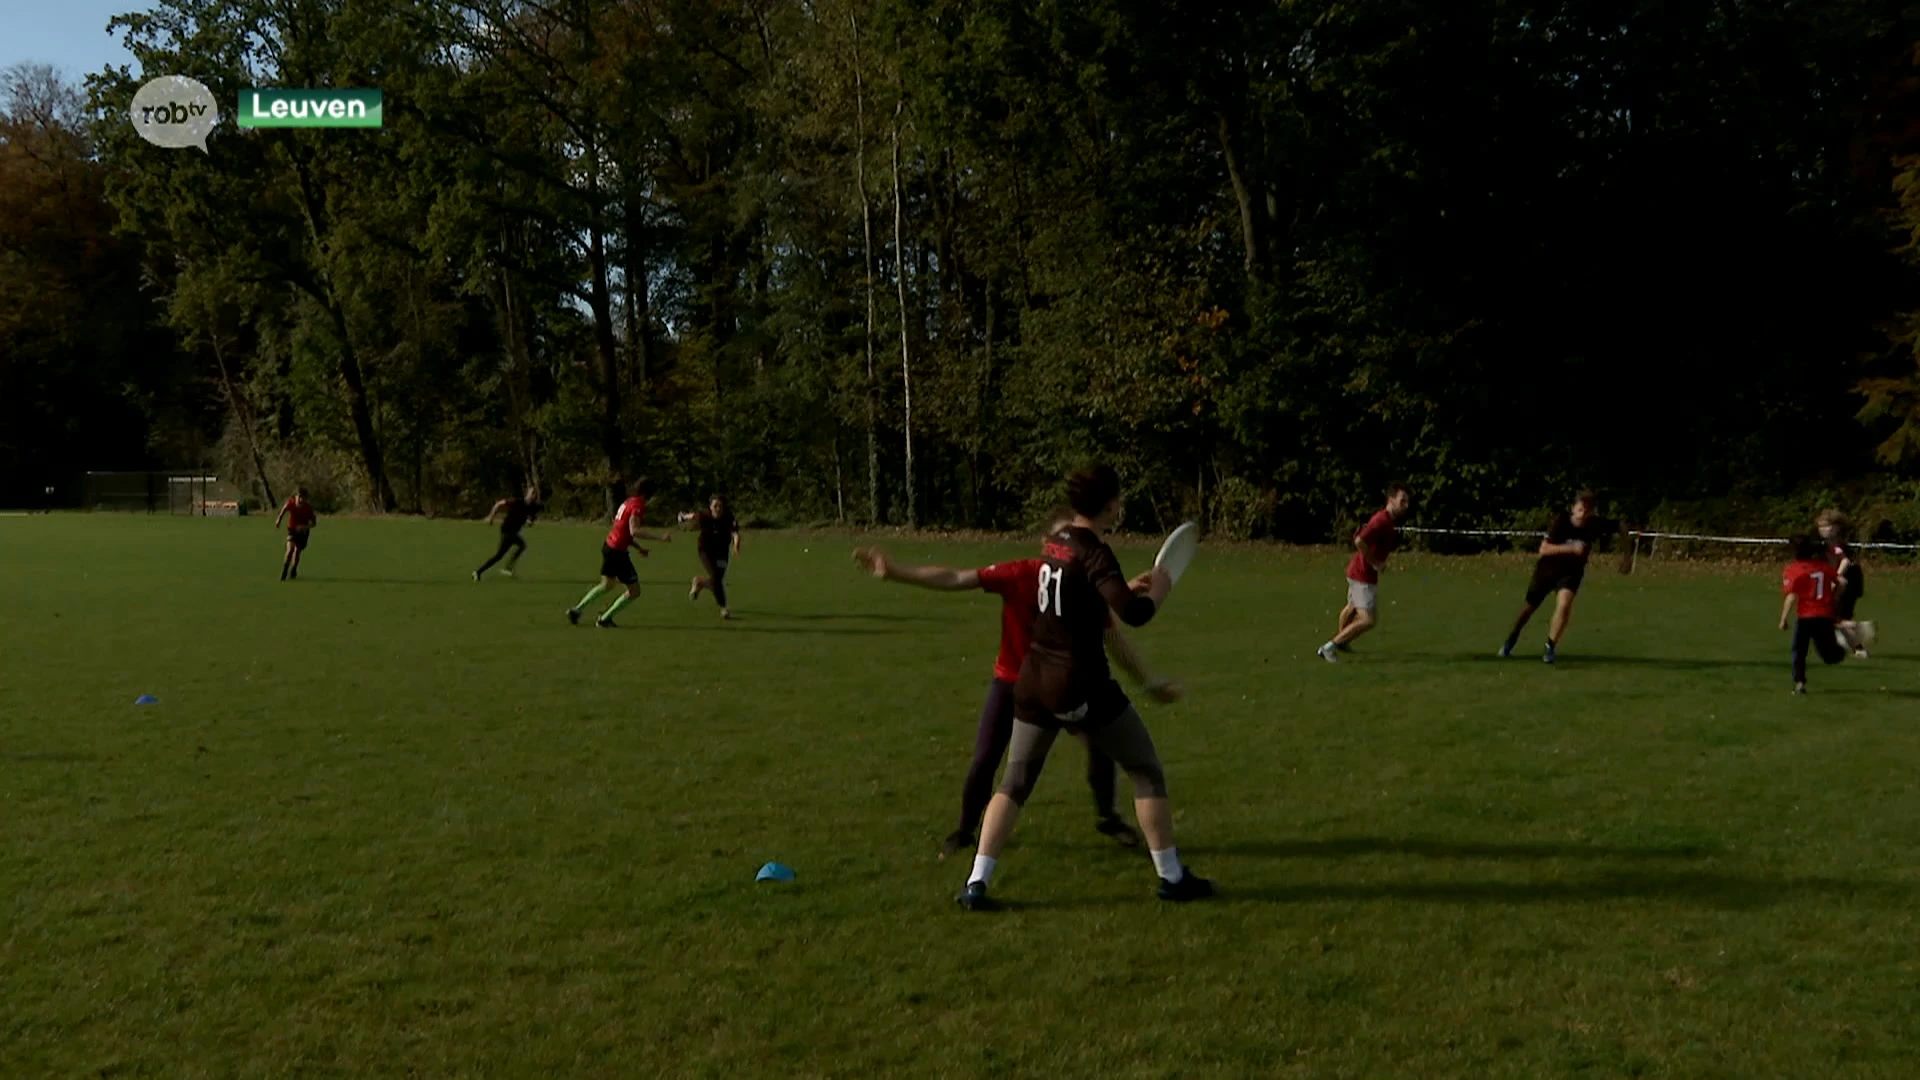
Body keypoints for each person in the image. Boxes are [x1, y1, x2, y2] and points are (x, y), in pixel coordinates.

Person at [957, 464, 1212, 910]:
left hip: (1031, 680)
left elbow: (1080, 594)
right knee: (1146, 769)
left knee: (1014, 781)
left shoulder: (1055, 543)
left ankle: (976, 883)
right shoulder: (1095, 550)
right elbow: (1133, 615)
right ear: (1111, 505)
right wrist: (1161, 590)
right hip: (1077, 685)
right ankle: (1172, 877)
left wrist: (1124, 589)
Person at [852, 518, 1183, 859]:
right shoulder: (1021, 573)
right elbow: (956, 577)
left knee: (1102, 750)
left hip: (1065, 686)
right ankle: (965, 830)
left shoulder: (1083, 585)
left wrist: (1125, 600)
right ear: (1045, 542)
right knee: (987, 759)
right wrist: (895, 571)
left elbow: (1110, 635)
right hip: (1014, 685)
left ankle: (1108, 818)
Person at [1500, 491, 1608, 664]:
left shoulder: (1594, 524)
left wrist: (1626, 557)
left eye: (1587, 511)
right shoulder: (1561, 521)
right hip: (1547, 570)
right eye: (1580, 509)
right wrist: (1571, 548)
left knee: (1564, 604)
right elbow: (1543, 549)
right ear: (1573, 509)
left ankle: (1550, 647)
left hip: (1570, 573)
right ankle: (1511, 638)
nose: (1583, 514)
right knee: (1528, 609)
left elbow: (1622, 526)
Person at [1318, 484, 1413, 662]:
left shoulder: (1387, 520)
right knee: (1368, 619)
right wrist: (1375, 562)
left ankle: (1342, 641)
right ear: (1391, 499)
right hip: (1363, 574)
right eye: (1402, 501)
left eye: (1407, 501)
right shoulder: (1381, 520)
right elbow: (1359, 540)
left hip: (1357, 570)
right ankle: (1329, 647)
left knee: (1351, 608)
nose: (1406, 505)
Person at [567, 479, 671, 628]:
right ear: (650, 494)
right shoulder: (637, 506)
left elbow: (623, 531)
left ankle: (577, 610)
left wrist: (638, 547)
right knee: (634, 591)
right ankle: (604, 619)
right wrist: (660, 538)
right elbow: (633, 530)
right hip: (617, 552)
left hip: (609, 546)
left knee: (607, 585)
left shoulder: (628, 502)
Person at [1781, 534, 1848, 694]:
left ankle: (1799, 683)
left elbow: (1792, 595)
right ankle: (1843, 644)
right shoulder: (1822, 567)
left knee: (1799, 650)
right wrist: (1834, 596)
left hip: (1806, 617)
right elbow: (1843, 582)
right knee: (1830, 656)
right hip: (1825, 615)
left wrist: (1783, 618)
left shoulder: (1793, 570)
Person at [1817, 509, 1870, 658]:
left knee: (1840, 617)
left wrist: (1836, 577)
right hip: (1841, 583)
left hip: (1850, 582)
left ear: (1837, 528)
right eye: (1820, 527)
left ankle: (1859, 644)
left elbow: (1845, 561)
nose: (1823, 530)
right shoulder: (1825, 545)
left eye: (1827, 526)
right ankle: (1854, 643)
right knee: (1836, 617)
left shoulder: (1839, 546)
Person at [679, 494, 742, 619]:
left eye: (720, 506)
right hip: (706, 550)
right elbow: (691, 516)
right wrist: (682, 516)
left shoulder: (728, 517)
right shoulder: (704, 516)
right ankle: (724, 608)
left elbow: (735, 534)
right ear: (710, 507)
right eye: (715, 506)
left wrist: (736, 547)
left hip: (722, 552)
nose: (717, 509)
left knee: (717, 579)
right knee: (716, 579)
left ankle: (700, 582)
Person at [475, 485, 542, 579]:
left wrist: (529, 522)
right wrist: (491, 517)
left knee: (519, 547)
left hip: (513, 532)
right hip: (507, 530)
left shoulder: (533, 507)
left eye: (535, 494)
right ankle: (479, 572)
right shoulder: (517, 501)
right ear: (527, 493)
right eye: (532, 493)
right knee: (500, 555)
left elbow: (530, 521)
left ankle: (504, 568)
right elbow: (498, 504)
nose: (533, 496)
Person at [273, 488, 317, 580]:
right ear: (296, 496)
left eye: (303, 498)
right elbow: (284, 509)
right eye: (300, 497)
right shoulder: (291, 503)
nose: (301, 500)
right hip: (292, 529)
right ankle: (284, 572)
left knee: (297, 552)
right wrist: (279, 520)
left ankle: (293, 569)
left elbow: (314, 523)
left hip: (303, 532)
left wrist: (304, 527)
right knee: (290, 550)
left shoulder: (308, 508)